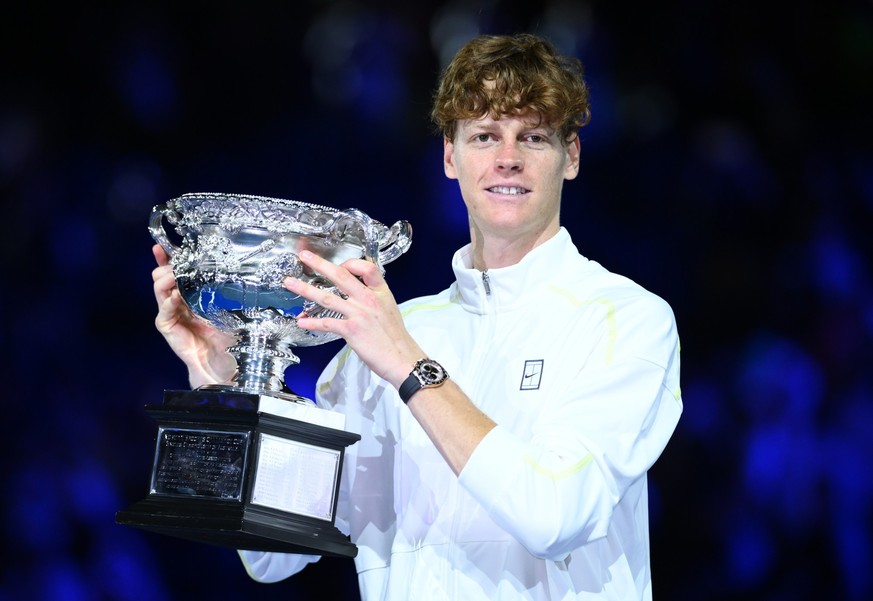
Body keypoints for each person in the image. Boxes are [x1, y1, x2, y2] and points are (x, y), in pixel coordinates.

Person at [152, 33, 682, 600]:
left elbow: (553, 516)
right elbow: (272, 552)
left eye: (532, 136)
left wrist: (409, 365)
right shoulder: (384, 339)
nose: (508, 158)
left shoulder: (625, 320)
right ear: (450, 157)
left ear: (570, 156)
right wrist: (226, 379)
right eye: (483, 136)